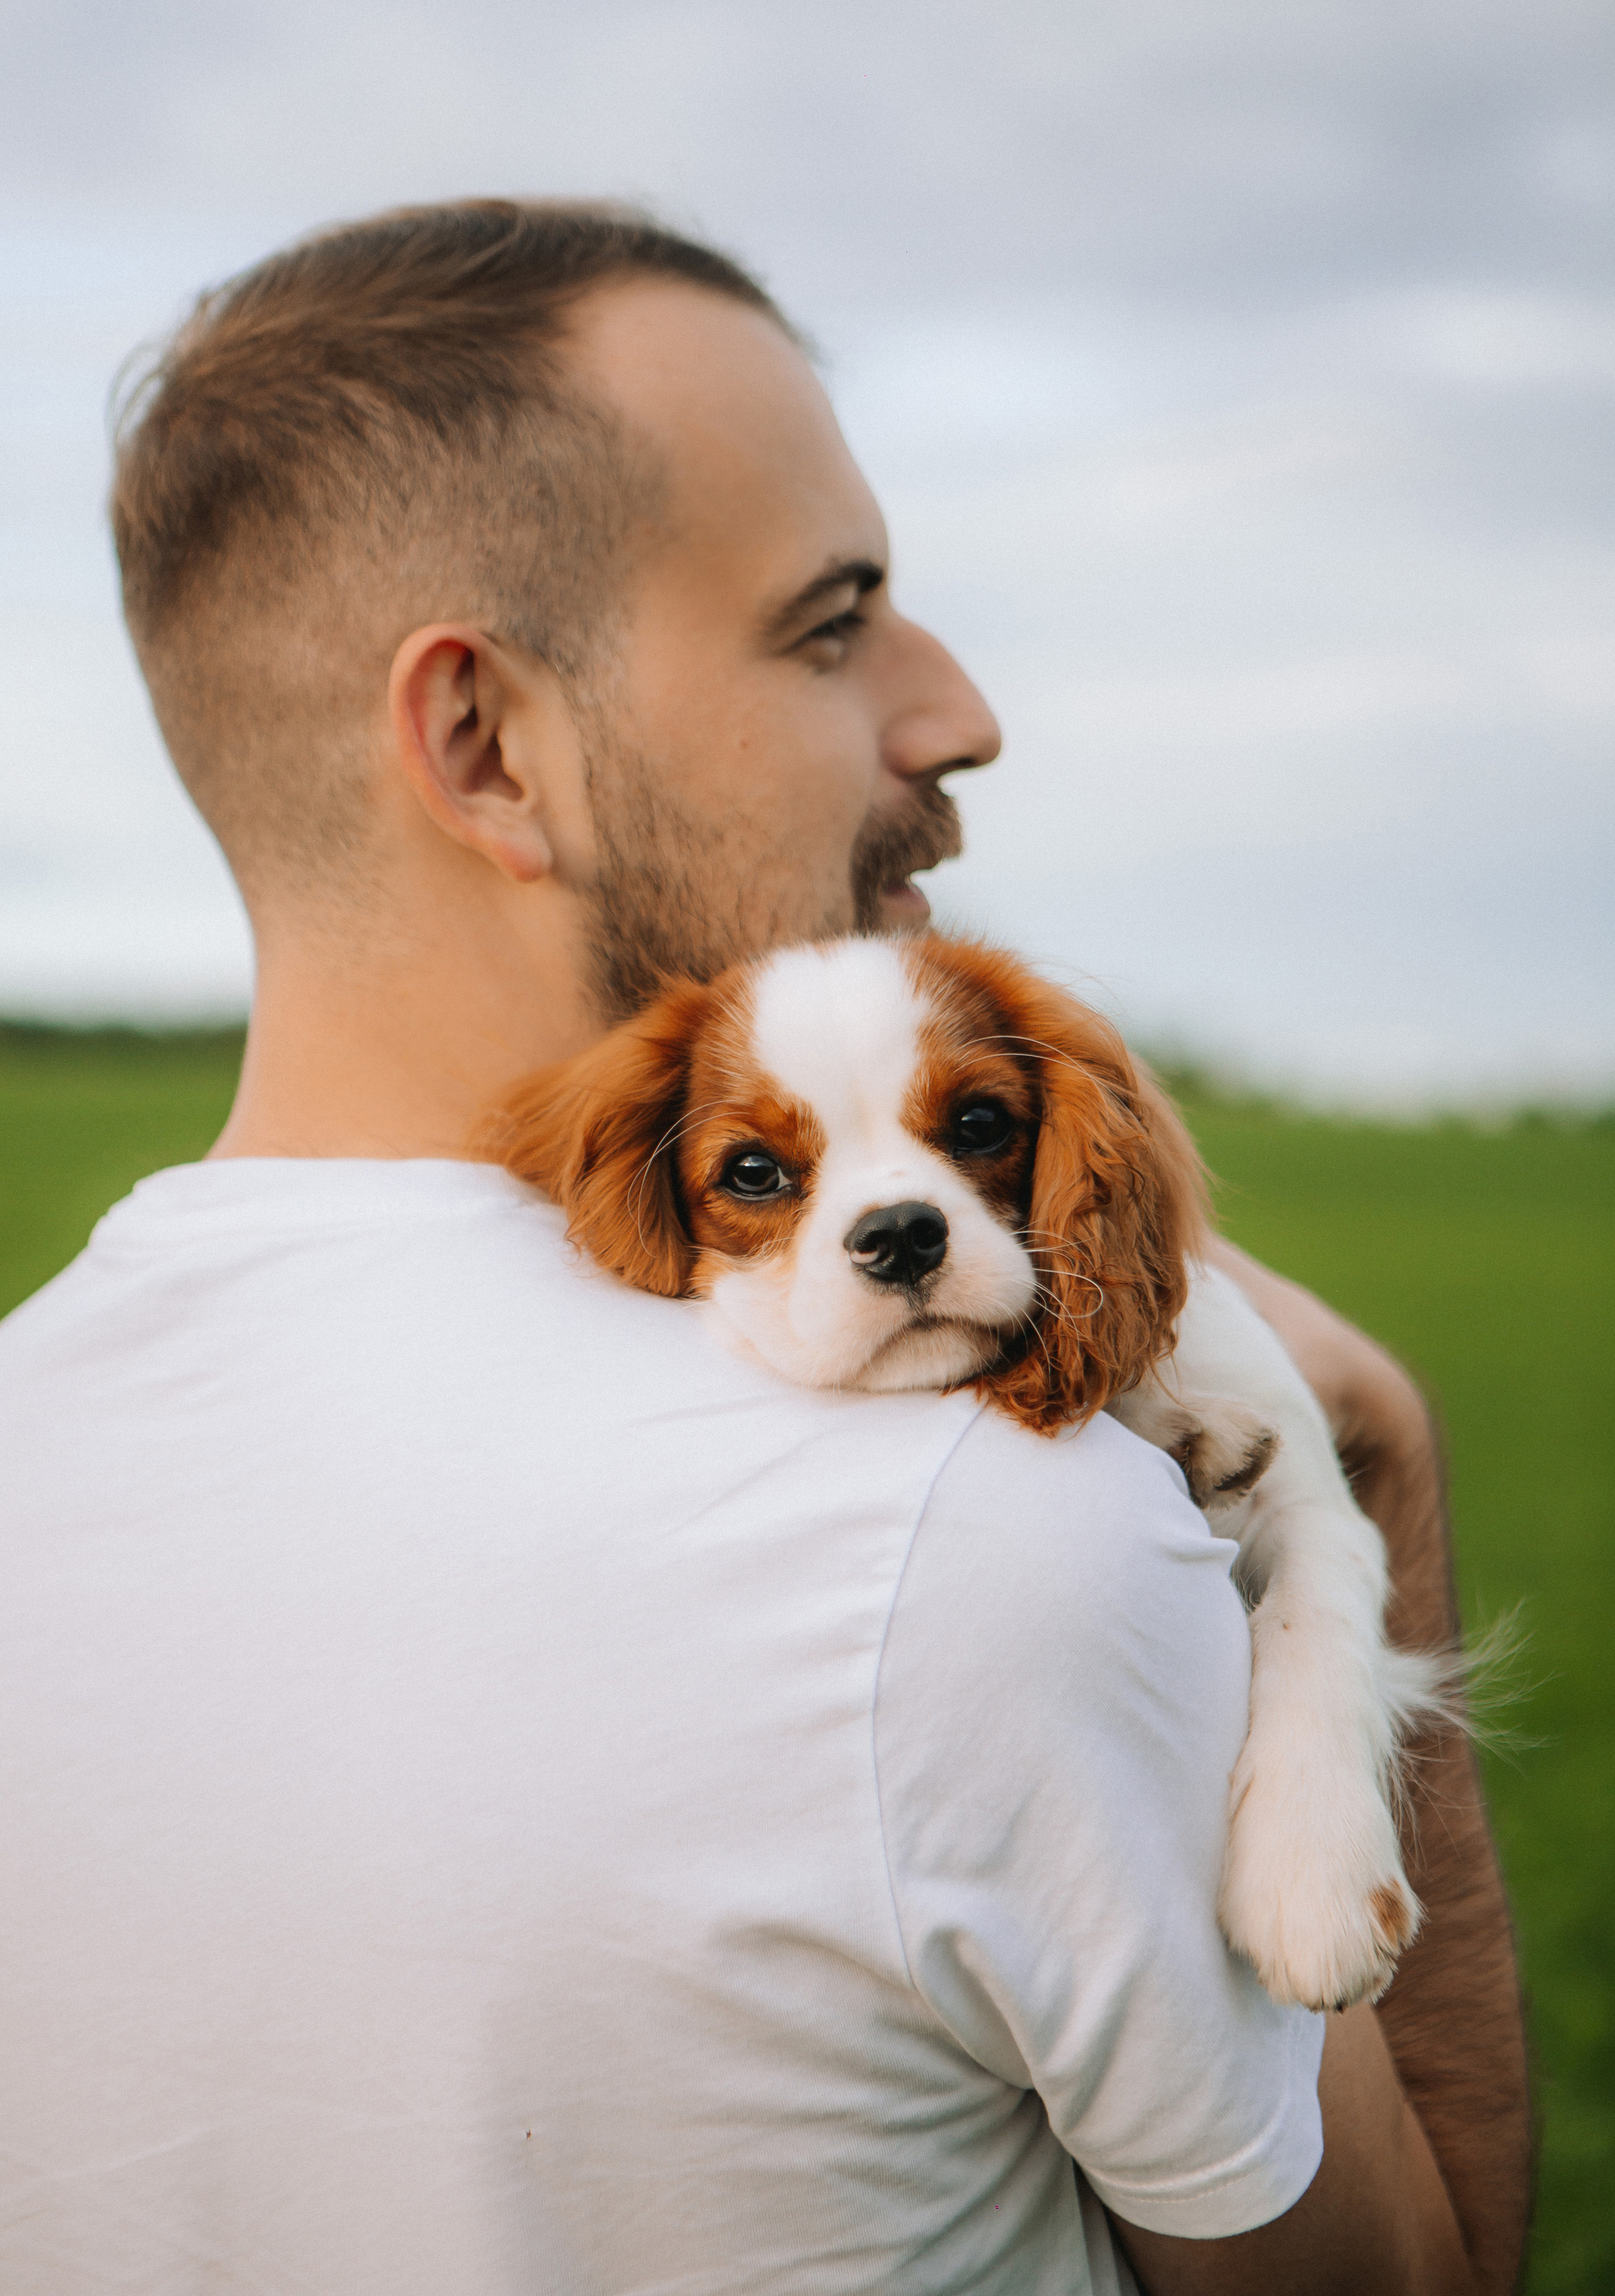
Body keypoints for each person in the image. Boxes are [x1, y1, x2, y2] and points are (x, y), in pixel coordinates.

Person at [0, 201, 1528, 2295]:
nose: (961, 710)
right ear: (485, 746)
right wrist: (1370, 1468)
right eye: (831, 626)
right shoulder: (994, 1528)